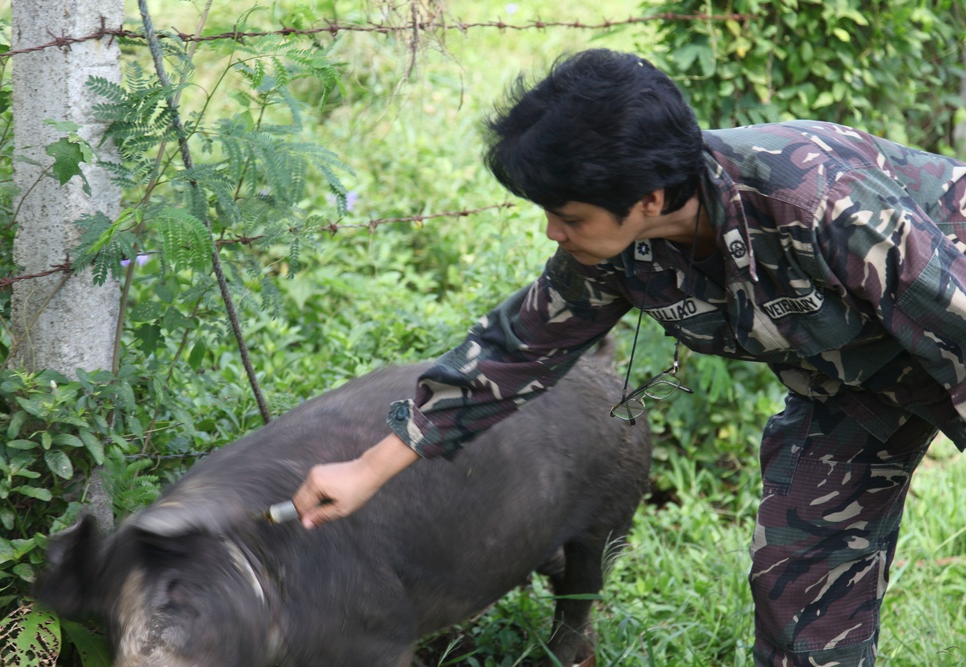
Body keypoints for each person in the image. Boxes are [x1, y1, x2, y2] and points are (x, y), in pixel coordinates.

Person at [292, 48, 966, 666]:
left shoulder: (821, 206)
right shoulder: (618, 249)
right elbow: (515, 349)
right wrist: (365, 468)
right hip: (850, 377)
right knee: (800, 578)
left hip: (949, 315)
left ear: (647, 198)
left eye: (569, 215)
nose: (553, 231)